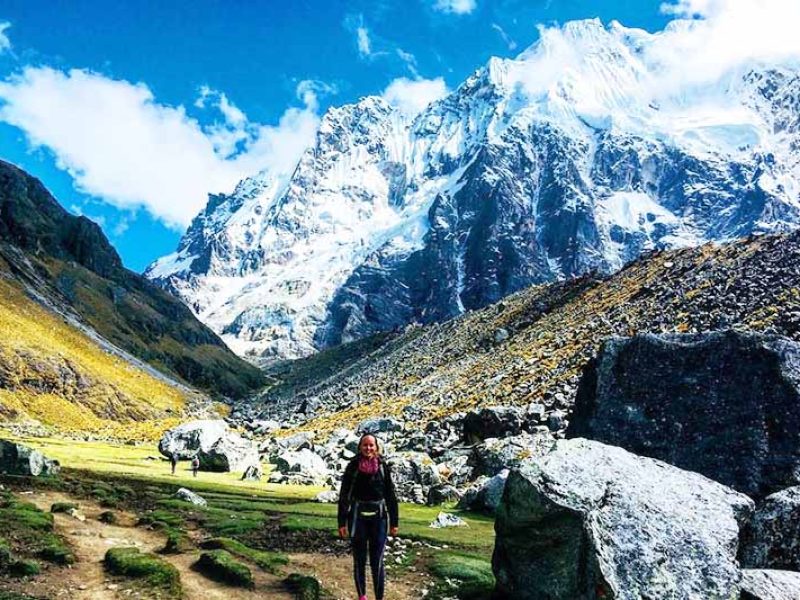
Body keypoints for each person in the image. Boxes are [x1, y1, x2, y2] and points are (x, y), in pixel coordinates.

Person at [338, 434, 399, 600]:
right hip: (357, 518)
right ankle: (362, 596)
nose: (368, 448)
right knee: (359, 560)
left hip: (379, 518)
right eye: (365, 445)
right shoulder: (353, 466)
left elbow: (390, 495)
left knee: (377, 560)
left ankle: (379, 597)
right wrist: (341, 522)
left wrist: (394, 522)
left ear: (376, 447)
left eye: (371, 445)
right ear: (360, 447)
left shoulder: (383, 466)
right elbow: (345, 495)